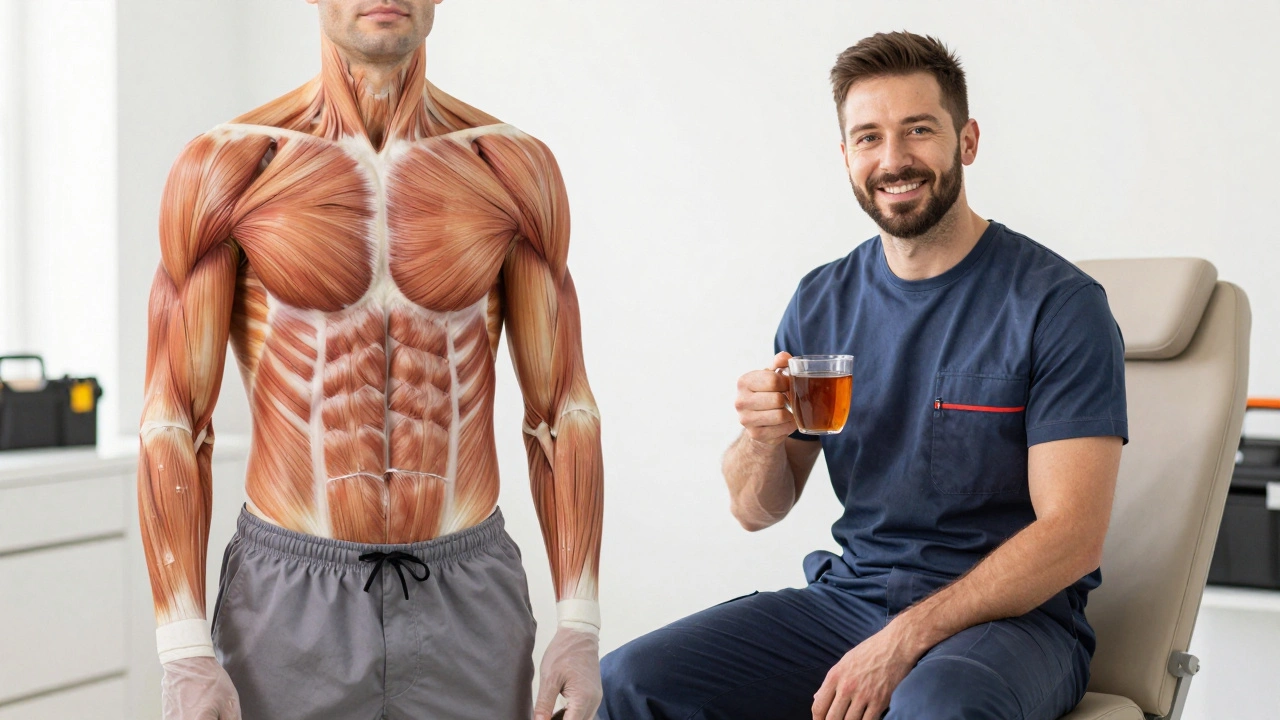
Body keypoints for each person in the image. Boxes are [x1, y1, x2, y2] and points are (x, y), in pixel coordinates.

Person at [599, 31, 1126, 720]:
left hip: (1014, 626)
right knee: (631, 679)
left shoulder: (1057, 306)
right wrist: (760, 438)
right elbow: (758, 511)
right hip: (850, 601)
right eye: (869, 137)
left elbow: (1072, 537)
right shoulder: (822, 301)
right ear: (846, 155)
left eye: (918, 131)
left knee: (935, 707)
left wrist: (903, 640)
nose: (894, 159)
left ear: (966, 141)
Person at [137, 1, 604, 718]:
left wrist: (578, 625)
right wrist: (183, 648)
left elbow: (560, 412)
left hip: (466, 588)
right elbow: (175, 418)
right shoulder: (229, 165)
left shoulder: (510, 165)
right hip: (287, 592)